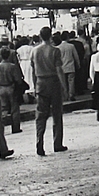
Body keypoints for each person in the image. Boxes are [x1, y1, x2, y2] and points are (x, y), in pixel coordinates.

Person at [31, 26, 68, 156]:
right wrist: (64, 87)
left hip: (40, 83)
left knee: (40, 116)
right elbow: (59, 70)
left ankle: (39, 143)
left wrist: (35, 86)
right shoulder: (55, 51)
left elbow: (33, 71)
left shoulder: (34, 51)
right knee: (57, 114)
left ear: (40, 36)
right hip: (53, 83)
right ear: (50, 36)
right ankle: (57, 143)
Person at [0, 47, 24, 134]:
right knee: (14, 108)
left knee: (3, 109)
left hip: (1, 88)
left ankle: (0, 127)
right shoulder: (12, 66)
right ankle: (15, 127)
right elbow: (18, 79)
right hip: (11, 87)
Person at [56, 33, 80, 101]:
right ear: (67, 38)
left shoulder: (58, 47)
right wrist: (78, 64)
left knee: (63, 82)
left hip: (62, 67)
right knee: (71, 82)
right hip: (70, 66)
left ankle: (65, 96)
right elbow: (76, 56)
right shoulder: (71, 46)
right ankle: (71, 95)